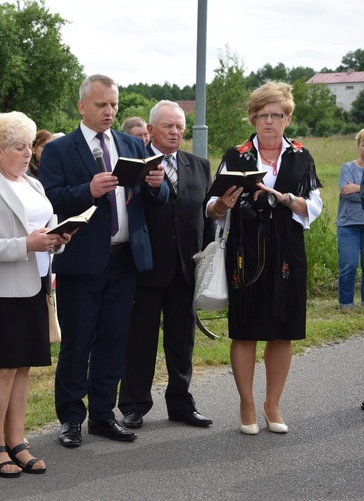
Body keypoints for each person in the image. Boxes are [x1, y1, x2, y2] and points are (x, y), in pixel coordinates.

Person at [39, 74, 168, 448]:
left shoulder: (132, 144)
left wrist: (158, 185)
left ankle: (101, 414)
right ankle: (70, 418)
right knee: (77, 342)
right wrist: (87, 191)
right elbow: (47, 199)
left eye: (113, 104)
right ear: (82, 106)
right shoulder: (60, 150)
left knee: (114, 340)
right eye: (101, 105)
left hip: (125, 258)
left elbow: (158, 200)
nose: (109, 111)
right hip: (81, 260)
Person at [205, 81, 322, 435]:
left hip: (288, 249)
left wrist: (287, 199)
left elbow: (314, 205)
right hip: (246, 251)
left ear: (287, 118)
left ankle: (273, 403)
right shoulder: (236, 154)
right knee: (245, 330)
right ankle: (247, 403)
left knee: (282, 330)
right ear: (253, 118)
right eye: (262, 115)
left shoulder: (301, 155)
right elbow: (211, 207)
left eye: (276, 114)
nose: (269, 121)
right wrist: (222, 205)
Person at [0, 111, 71, 478]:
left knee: (24, 366)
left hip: (35, 285)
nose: (28, 153)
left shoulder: (33, 184)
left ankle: (18, 441)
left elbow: (44, 232)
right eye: (18, 147)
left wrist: (57, 239)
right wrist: (27, 243)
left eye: (29, 146)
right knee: (3, 368)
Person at [118, 101, 214, 430]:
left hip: (186, 268)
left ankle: (181, 403)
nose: (175, 132)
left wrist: (209, 256)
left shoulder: (199, 165)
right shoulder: (136, 163)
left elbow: (206, 217)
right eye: (168, 126)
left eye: (179, 127)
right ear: (151, 130)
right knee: (140, 340)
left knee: (182, 340)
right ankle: (133, 404)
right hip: (145, 268)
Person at [336, 129, 364, 309]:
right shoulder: (347, 168)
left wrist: (358, 188)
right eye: (363, 144)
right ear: (358, 146)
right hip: (348, 224)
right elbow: (346, 193)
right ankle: (345, 303)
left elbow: (355, 193)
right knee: (349, 264)